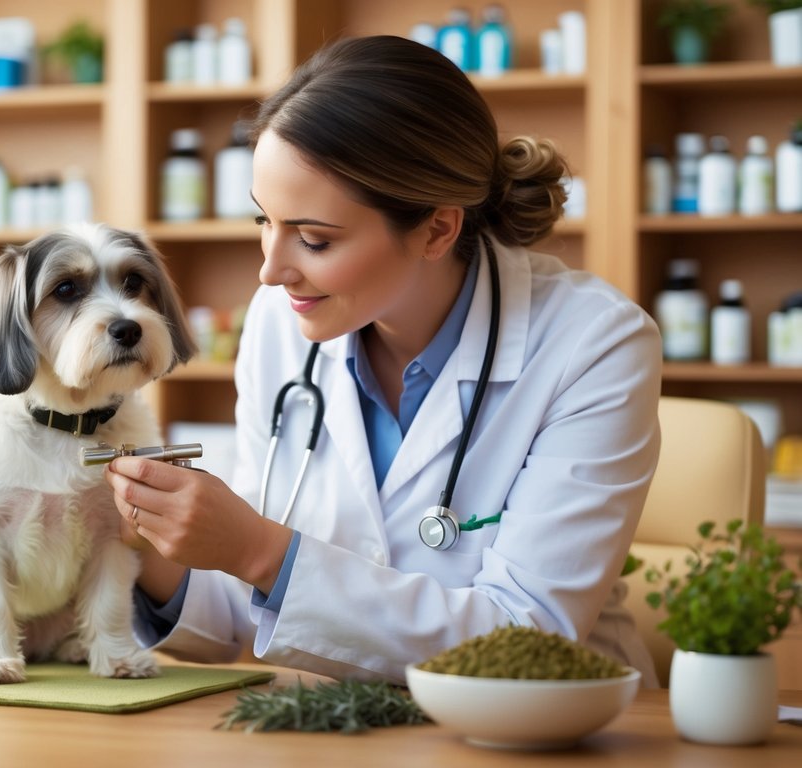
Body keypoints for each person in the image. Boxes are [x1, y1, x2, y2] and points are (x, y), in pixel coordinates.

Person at [103, 35, 661, 685]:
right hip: (350, 717)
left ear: (437, 229)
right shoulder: (281, 322)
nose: (270, 271)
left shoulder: (593, 343)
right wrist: (144, 539)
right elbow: (250, 610)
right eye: (264, 222)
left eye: (314, 239)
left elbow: (527, 639)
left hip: (546, 723)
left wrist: (257, 548)